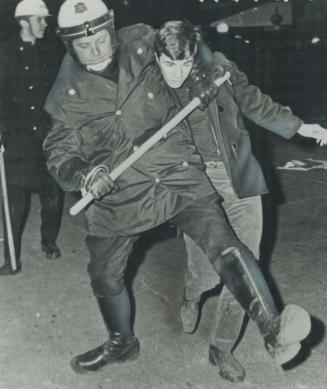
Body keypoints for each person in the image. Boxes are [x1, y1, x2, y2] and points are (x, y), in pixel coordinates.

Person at [44, 0, 313, 375]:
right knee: (104, 274)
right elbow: (58, 153)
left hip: (177, 175)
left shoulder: (140, 42)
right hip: (117, 193)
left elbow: (186, 43)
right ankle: (122, 342)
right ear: (69, 45)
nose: (97, 50)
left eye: (101, 39)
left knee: (224, 242)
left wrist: (202, 72)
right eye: (84, 46)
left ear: (111, 28)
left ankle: (271, 327)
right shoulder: (65, 95)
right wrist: (84, 173)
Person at [153, 20, 327, 382]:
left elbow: (253, 102)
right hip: (194, 188)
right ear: (158, 58)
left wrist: (297, 126)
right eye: (169, 65)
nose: (178, 73)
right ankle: (192, 295)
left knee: (246, 266)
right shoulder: (151, 90)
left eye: (185, 64)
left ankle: (221, 347)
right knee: (204, 272)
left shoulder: (219, 69)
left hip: (237, 178)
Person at [0, 0, 64, 276]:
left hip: (47, 136)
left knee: (52, 193)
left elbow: (61, 91)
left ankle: (48, 240)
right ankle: (10, 258)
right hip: (16, 137)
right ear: (24, 21)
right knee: (13, 199)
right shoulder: (4, 53)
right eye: (41, 20)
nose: (46, 24)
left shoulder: (52, 51)